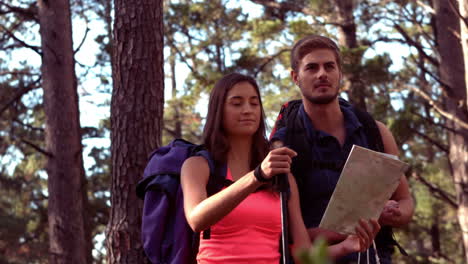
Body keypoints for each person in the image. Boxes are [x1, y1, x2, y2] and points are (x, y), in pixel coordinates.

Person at [181, 73, 380, 264]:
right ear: (218, 110)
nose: (248, 110)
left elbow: (303, 255)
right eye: (236, 103)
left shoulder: (281, 176)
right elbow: (197, 220)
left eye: (254, 102)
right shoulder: (199, 165)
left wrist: (348, 246)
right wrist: (257, 176)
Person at [271, 35, 414, 263]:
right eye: (312, 67)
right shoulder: (283, 145)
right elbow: (283, 236)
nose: (322, 74)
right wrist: (359, 222)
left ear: (340, 74)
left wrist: (394, 214)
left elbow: (406, 202)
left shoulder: (374, 132)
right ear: (295, 77)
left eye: (329, 66)